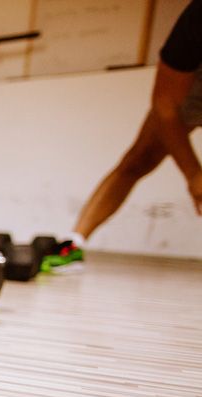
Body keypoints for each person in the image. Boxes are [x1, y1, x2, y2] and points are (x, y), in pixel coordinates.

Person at [44, 0, 202, 272]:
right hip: (193, 85)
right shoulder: (198, 17)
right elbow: (165, 105)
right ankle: (74, 242)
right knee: (139, 158)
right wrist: (194, 176)